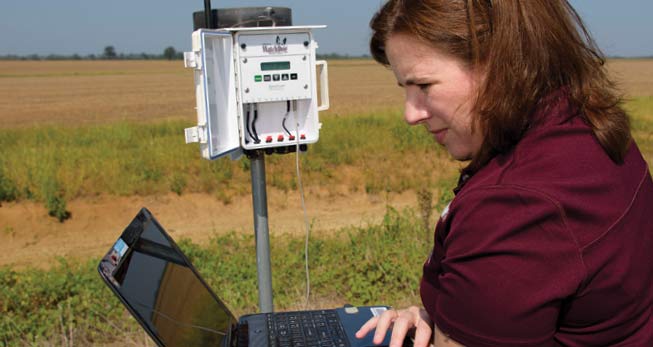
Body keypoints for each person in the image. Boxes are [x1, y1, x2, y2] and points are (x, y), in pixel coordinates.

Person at [355, 1, 653, 346]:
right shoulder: (585, 125)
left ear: (499, 65)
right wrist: (442, 319)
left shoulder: (515, 205)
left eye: (423, 86)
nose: (411, 114)